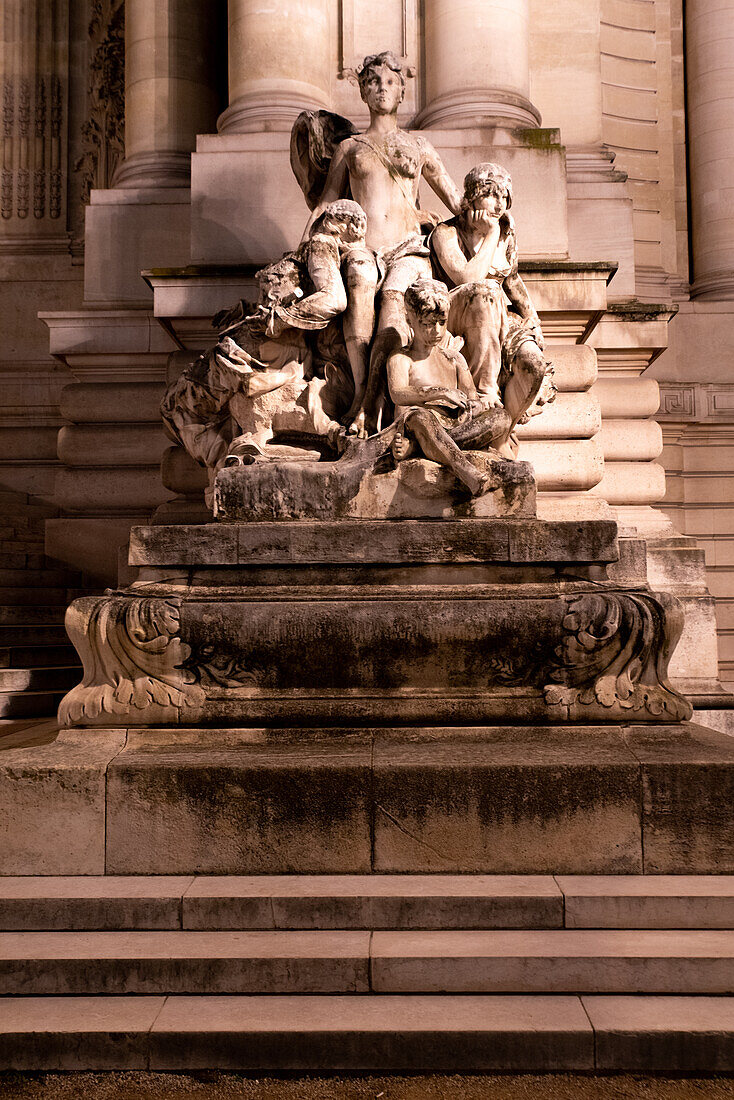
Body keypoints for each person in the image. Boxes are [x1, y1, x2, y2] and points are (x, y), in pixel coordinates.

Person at [301, 51, 464, 435]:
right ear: (363, 91)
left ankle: (373, 398)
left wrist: (490, 224)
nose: (381, 88)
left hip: (409, 248)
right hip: (364, 247)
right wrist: (303, 247)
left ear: (402, 91)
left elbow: (455, 200)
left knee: (393, 297)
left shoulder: (418, 145)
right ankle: (361, 393)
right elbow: (326, 202)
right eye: (373, 81)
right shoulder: (350, 148)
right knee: (357, 278)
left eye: (390, 82)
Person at [430, 162, 551, 430]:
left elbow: (512, 280)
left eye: (504, 197)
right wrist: (491, 234)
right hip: (457, 314)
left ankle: (504, 430)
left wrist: (533, 318)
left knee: (534, 366)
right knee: (486, 292)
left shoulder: (507, 233)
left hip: (499, 316)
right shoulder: (446, 232)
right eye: (492, 195)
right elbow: (467, 280)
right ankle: (484, 395)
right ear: (472, 196)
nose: (499, 205)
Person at [386, 278, 516, 495]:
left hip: (455, 426)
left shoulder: (454, 359)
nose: (436, 331)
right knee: (419, 417)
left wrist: (474, 406)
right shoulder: (401, 358)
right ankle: (468, 473)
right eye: (427, 324)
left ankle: (421, 448)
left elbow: (472, 397)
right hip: (422, 424)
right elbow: (397, 393)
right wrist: (441, 392)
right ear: (410, 320)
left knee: (501, 417)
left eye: (441, 322)